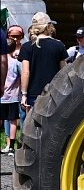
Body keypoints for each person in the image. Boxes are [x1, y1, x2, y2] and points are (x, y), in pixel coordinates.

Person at [20, 12, 66, 111]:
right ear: (48, 27)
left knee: (32, 125)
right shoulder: (59, 45)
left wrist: (23, 94)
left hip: (33, 94)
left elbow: (25, 72)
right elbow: (64, 72)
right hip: (53, 93)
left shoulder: (26, 47)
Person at [2, 25, 24, 153]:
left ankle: (10, 145)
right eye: (13, 36)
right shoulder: (16, 62)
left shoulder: (3, 60)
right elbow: (21, 76)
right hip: (13, 96)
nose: (16, 39)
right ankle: (10, 146)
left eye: (18, 36)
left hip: (5, 96)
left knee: (8, 120)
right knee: (12, 121)